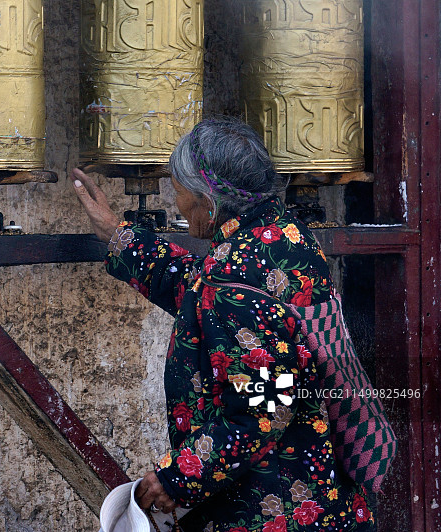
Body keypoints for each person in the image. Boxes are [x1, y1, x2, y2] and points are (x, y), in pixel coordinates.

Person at [71, 118, 375, 531]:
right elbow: (202, 292)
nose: (178, 204)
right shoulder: (284, 237)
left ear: (207, 200)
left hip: (271, 506)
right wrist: (119, 237)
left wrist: (175, 479)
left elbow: (263, 407)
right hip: (320, 483)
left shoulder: (234, 276)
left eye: (179, 192)